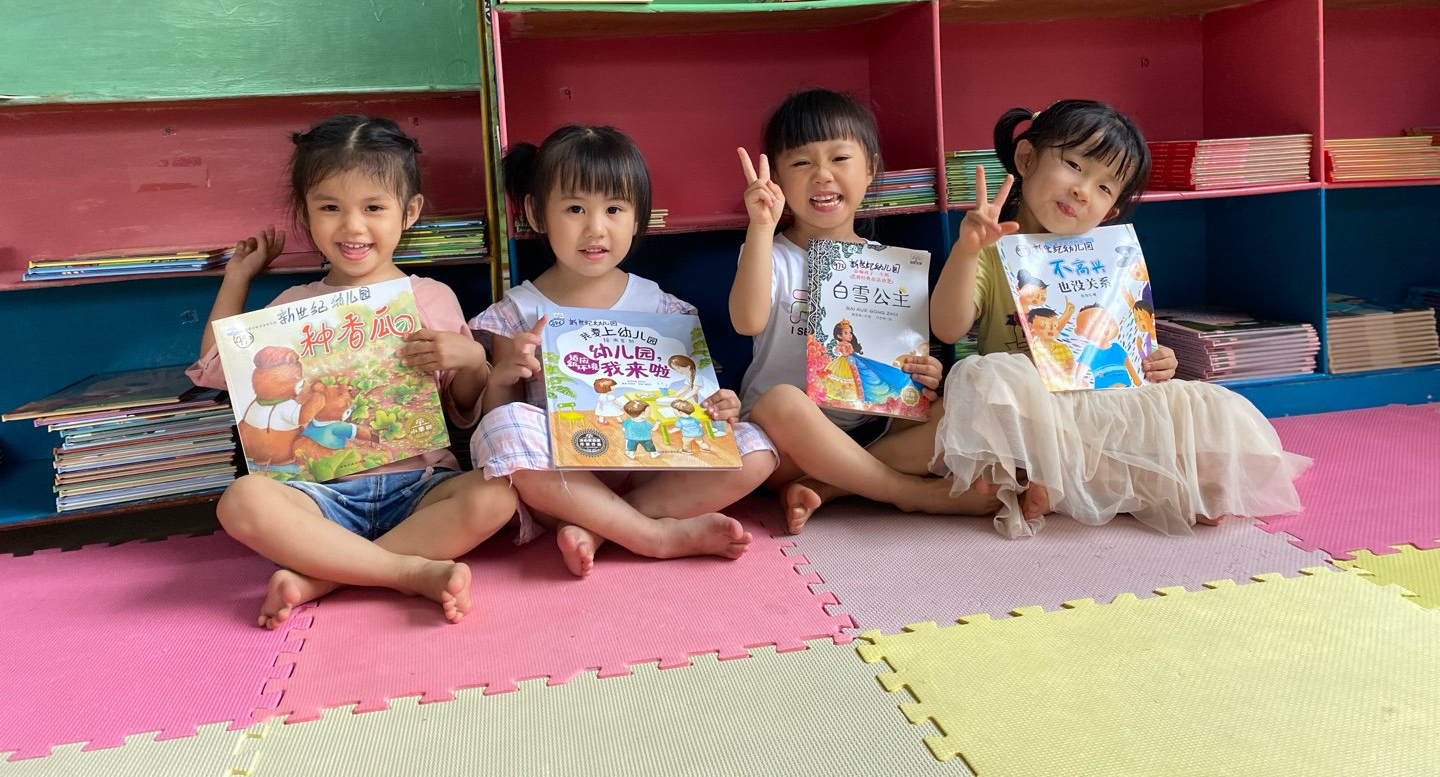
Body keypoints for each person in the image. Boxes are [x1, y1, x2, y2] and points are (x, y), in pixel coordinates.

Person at [190, 115, 516, 628]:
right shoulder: (293, 304)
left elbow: (464, 407)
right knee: (241, 501)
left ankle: (323, 578)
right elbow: (216, 366)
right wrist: (238, 278)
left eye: (373, 207)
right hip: (318, 499)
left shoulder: (430, 297)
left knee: (497, 495)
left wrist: (473, 359)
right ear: (306, 213)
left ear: (409, 212)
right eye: (330, 208)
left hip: (419, 487)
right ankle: (407, 571)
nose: (353, 227)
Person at [930, 100, 1309, 537]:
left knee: (1210, 409)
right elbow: (948, 328)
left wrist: (1158, 359)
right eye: (1074, 165)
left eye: (1104, 187)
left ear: (1109, 213)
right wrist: (967, 252)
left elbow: (1130, 341)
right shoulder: (989, 250)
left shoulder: (1108, 258)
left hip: (1105, 406)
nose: (1082, 191)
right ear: (1027, 158)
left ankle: (1077, 481)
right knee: (987, 380)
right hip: (1033, 408)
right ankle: (1104, 482)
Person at [469, 125, 777, 578]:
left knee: (757, 450)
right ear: (536, 213)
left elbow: (691, 398)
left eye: (614, 209)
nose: (596, 228)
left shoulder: (662, 307)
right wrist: (502, 376)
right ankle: (652, 535)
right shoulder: (518, 311)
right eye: (575, 208)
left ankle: (601, 527)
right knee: (502, 428)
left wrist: (719, 406)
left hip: (651, 468)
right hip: (564, 483)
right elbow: (501, 423)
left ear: (637, 219)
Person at [730, 88, 999, 535]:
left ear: (870, 168)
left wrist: (923, 372)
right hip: (786, 443)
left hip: (872, 428)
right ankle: (912, 494)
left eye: (839, 158)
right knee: (781, 401)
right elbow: (747, 321)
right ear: (776, 178)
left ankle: (831, 484)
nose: (822, 175)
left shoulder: (890, 266)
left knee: (957, 409)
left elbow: (904, 360)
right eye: (801, 163)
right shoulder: (769, 254)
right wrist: (760, 228)